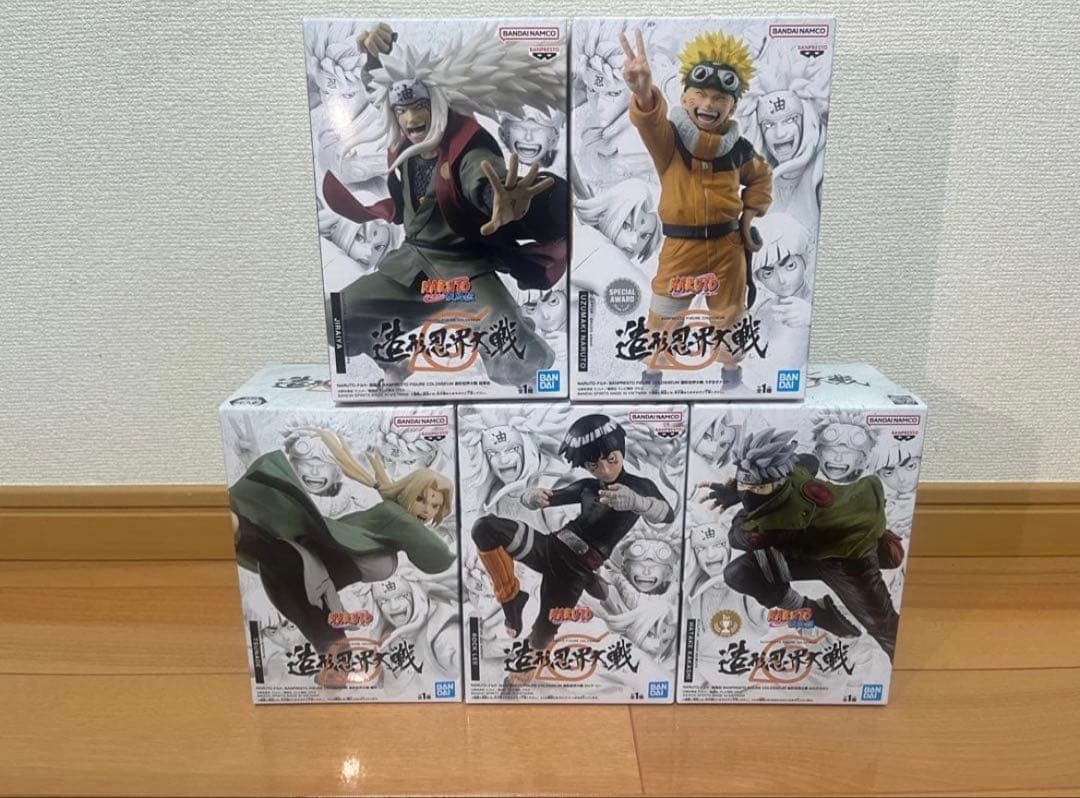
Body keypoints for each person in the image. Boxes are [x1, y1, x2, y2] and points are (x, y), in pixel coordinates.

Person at [320, 22, 568, 385]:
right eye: (402, 110)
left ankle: (536, 380)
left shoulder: (467, 144)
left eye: (419, 107)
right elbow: (381, 87)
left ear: (437, 104)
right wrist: (373, 56)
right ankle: (394, 360)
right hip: (412, 267)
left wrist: (496, 198)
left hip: (464, 272)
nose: (410, 118)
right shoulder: (403, 141)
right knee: (339, 316)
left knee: (515, 350)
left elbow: (481, 175)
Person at [230, 427, 454, 685]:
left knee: (299, 592)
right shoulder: (396, 516)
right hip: (320, 559)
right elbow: (437, 557)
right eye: (421, 499)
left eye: (435, 505)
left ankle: (339, 665)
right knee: (288, 581)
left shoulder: (394, 518)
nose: (427, 510)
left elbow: (434, 556)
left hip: (323, 563)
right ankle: (339, 664)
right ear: (408, 492)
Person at [621, 28, 772, 388]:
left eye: (720, 97)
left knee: (731, 317)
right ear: (685, 97)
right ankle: (651, 379)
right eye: (700, 93)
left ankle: (732, 378)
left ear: (732, 106)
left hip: (727, 249)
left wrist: (749, 215)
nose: (709, 104)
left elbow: (762, 177)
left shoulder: (739, 150)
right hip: (680, 249)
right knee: (663, 316)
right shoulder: (669, 143)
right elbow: (649, 121)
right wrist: (643, 93)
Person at [470, 414, 674, 650]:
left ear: (622, 451)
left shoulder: (640, 486)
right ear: (585, 465)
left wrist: (639, 503)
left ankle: (588, 583)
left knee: (540, 638)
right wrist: (531, 497)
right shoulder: (588, 486)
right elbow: (549, 498)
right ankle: (511, 599)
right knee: (484, 528)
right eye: (593, 465)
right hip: (550, 547)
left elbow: (668, 515)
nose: (605, 469)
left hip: (574, 570)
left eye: (612, 459)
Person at [700, 427, 902, 659]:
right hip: (804, 550)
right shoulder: (793, 470)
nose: (749, 492)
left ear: (778, 481)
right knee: (739, 573)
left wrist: (738, 495)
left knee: (886, 630)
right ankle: (814, 611)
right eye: (745, 484)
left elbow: (737, 537)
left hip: (848, 558)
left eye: (758, 487)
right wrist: (739, 487)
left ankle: (881, 551)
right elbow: (809, 460)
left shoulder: (774, 523)